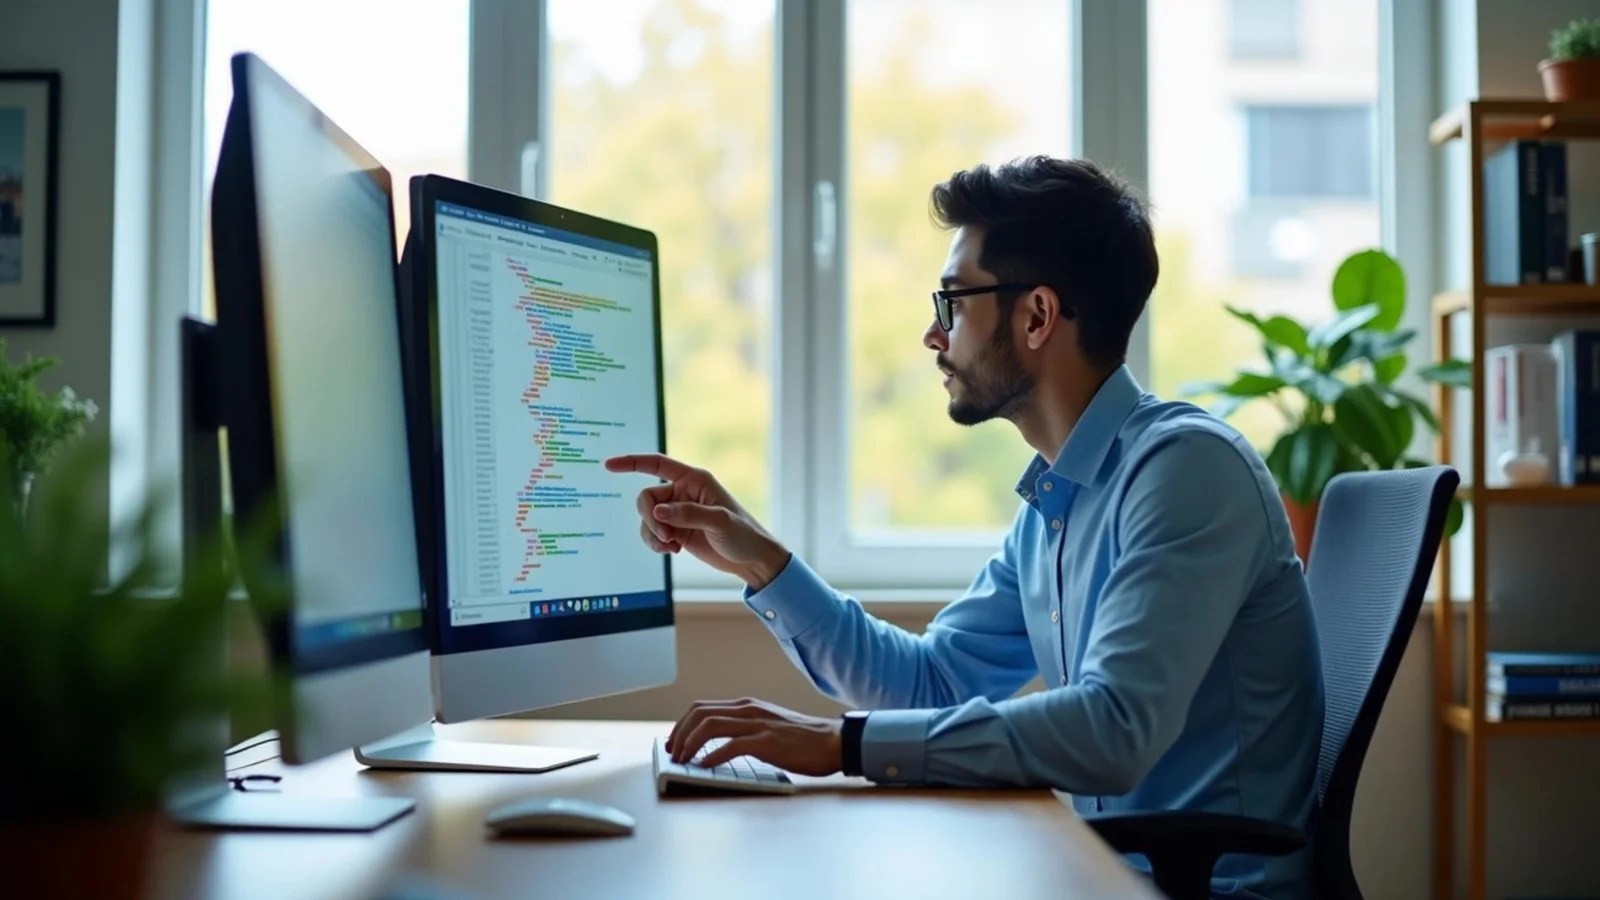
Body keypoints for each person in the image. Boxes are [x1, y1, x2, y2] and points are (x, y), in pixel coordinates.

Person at [606, 155, 1322, 899]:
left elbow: (1114, 731)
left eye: (953, 302)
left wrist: (841, 744)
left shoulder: (1185, 472)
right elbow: (931, 683)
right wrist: (763, 562)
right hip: (1102, 873)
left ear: (1037, 316)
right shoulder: (1054, 504)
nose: (931, 333)